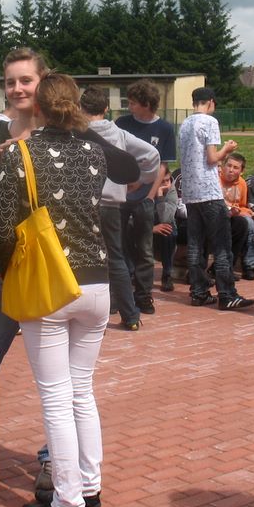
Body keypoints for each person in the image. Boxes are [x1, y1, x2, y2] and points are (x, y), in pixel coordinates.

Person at [0, 48, 139, 496]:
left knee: (62, 384)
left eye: (25, 80)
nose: (17, 89)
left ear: (43, 84)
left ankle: (53, 465)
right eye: (10, 82)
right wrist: (10, 159)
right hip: (11, 271)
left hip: (62, 274)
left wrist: (74, 135)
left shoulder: (72, 131)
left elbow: (125, 169)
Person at [0, 73, 109, 507]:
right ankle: (90, 486)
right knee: (82, 391)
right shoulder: (94, 151)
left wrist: (1, 268)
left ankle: (66, 503)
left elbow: (2, 227)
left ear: (36, 107)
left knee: (56, 398)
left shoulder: (20, 154)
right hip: (97, 283)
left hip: (49, 285)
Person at [81, 85, 160, 331]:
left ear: (80, 108)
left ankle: (87, 315)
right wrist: (139, 180)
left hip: (83, 205)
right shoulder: (119, 133)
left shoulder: (76, 133)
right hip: (111, 205)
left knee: (81, 258)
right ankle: (131, 316)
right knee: (115, 259)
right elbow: (152, 155)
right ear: (106, 108)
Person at [178, 87, 254, 311]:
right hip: (209, 191)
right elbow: (213, 158)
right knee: (222, 245)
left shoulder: (184, 124)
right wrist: (227, 149)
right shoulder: (210, 122)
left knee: (195, 244)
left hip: (191, 191)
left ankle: (199, 291)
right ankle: (227, 294)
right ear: (211, 102)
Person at [115, 79, 177, 316]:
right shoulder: (122, 124)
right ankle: (118, 296)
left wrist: (150, 195)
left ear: (147, 104)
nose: (129, 107)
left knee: (145, 249)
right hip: (120, 195)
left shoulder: (164, 129)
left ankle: (143, 296)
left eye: (133, 103)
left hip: (145, 197)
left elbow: (163, 165)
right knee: (118, 246)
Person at [219, 152, 254, 279]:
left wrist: (248, 212)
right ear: (223, 166)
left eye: (235, 168)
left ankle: (250, 265)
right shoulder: (216, 180)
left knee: (249, 222)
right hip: (218, 216)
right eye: (229, 166)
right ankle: (230, 267)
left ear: (241, 171)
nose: (231, 170)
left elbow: (242, 205)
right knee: (245, 223)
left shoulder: (242, 183)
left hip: (234, 216)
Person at [152, 172, 178, 291]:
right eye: (161, 181)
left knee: (168, 230)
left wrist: (160, 195)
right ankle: (132, 272)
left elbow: (165, 218)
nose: (166, 184)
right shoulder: (144, 191)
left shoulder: (171, 191)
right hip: (146, 226)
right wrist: (152, 229)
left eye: (167, 180)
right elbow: (133, 220)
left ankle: (167, 274)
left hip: (163, 225)